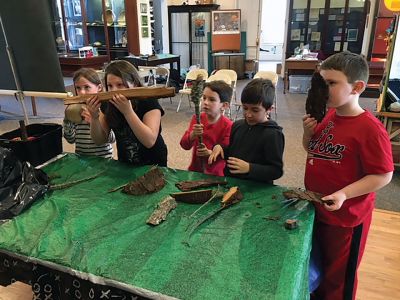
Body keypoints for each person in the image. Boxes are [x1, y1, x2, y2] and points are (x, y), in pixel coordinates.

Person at [302, 51, 393, 300]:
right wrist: (308, 134)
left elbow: (383, 174)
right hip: (319, 210)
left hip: (347, 220)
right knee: (318, 270)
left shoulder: (370, 129)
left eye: (331, 83)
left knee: (338, 279)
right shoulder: (329, 117)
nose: (324, 89)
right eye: (323, 82)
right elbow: (314, 152)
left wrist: (344, 193)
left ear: (357, 87)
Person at [86, 60, 168, 166]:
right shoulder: (108, 104)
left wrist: (128, 112)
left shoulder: (148, 100)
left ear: (134, 83)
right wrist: (94, 117)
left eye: (120, 85)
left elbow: (149, 141)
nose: (114, 90)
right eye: (110, 86)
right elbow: (99, 140)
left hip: (153, 162)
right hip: (126, 162)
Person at [208, 78, 284, 183]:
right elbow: (233, 151)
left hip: (256, 188)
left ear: (269, 109)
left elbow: (276, 170)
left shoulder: (273, 134)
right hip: (232, 182)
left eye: (255, 110)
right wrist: (220, 148)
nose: (248, 114)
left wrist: (249, 168)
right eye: (245, 108)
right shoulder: (237, 125)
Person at [180, 80, 233, 176]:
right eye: (204, 98)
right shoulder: (197, 118)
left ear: (224, 105)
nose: (205, 102)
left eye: (212, 100)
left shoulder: (228, 126)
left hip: (216, 175)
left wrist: (210, 153)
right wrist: (193, 135)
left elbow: (226, 153)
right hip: (195, 171)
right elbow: (184, 145)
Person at [63, 68, 115, 158]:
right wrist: (67, 120)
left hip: (103, 159)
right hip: (82, 159)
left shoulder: (104, 108)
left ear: (99, 88)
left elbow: (112, 139)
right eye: (78, 88)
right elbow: (70, 140)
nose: (82, 92)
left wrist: (94, 122)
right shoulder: (76, 109)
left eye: (87, 87)